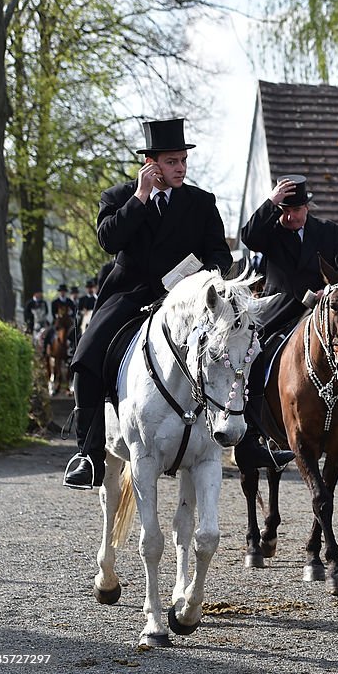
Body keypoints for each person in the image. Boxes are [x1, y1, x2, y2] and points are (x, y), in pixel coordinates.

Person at [64, 118, 234, 489]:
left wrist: (202, 279)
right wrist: (139, 197)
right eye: (171, 162)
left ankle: (248, 438)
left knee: (235, 347)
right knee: (87, 355)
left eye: (182, 161)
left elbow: (221, 255)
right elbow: (109, 241)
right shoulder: (118, 197)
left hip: (184, 300)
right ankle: (87, 455)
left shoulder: (201, 202)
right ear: (151, 164)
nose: (180, 168)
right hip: (128, 293)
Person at [240, 174, 338, 468]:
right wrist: (271, 202)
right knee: (254, 351)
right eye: (285, 210)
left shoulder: (328, 231)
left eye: (296, 210)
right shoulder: (270, 231)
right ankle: (252, 423)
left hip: (326, 305)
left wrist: (333, 290)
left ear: (308, 207)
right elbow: (248, 237)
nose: (291, 216)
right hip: (281, 303)